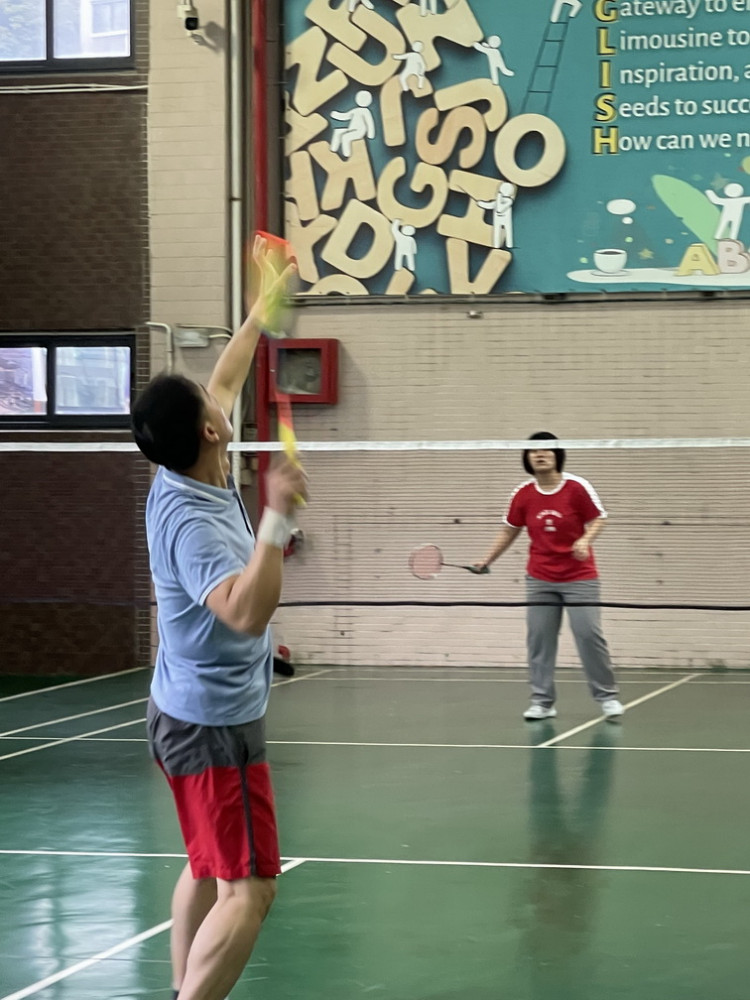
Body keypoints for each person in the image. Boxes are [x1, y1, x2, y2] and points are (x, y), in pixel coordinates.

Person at [131, 241, 307, 1000]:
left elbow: (227, 376)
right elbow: (243, 612)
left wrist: (260, 314)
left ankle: (182, 988)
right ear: (208, 431)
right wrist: (276, 518)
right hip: (211, 727)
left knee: (207, 869)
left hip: (190, 712)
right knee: (251, 887)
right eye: (208, 405)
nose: (217, 399)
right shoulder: (193, 524)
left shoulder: (191, 462)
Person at [475, 432, 623, 721]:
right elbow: (509, 530)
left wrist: (585, 540)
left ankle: (607, 697)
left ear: (558, 455)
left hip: (580, 577)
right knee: (539, 640)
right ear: (527, 458)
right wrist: (487, 559)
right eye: (534, 451)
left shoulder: (576, 487)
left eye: (546, 450)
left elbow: (599, 518)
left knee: (588, 636)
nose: (540, 455)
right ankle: (542, 702)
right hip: (540, 578)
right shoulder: (523, 494)